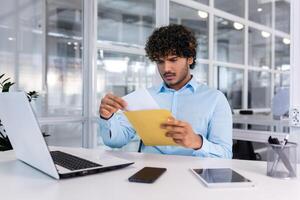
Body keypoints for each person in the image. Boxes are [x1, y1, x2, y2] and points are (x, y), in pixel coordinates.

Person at [98, 24, 232, 158]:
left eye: (173, 60)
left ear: (190, 58)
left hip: (193, 175)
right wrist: (107, 117)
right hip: (149, 172)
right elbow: (115, 141)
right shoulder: (144, 97)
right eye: (160, 62)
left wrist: (197, 142)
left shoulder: (215, 99)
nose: (166, 68)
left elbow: (225, 155)